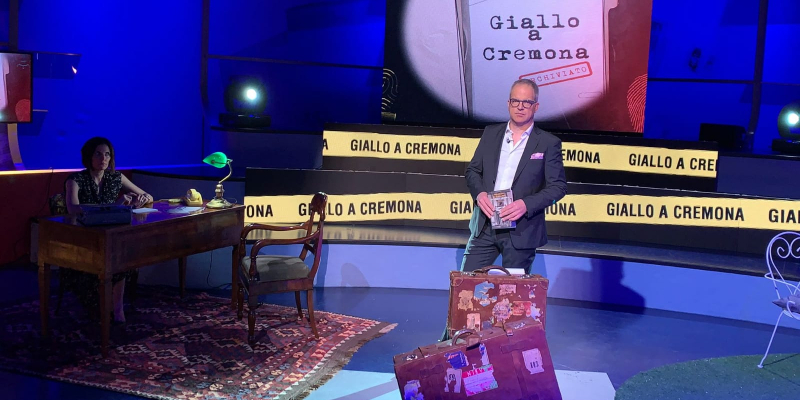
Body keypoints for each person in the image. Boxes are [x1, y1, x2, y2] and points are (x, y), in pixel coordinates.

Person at [461, 79, 567, 274]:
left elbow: (558, 187)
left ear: (536, 106)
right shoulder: (491, 133)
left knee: (513, 292)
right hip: (485, 225)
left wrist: (525, 205)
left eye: (526, 102)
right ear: (508, 103)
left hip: (522, 230)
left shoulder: (548, 143)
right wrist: (480, 194)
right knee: (466, 283)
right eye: (515, 101)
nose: (520, 107)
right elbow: (473, 171)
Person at [63, 136, 153, 323]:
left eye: (107, 155)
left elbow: (148, 196)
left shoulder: (115, 177)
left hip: (111, 237)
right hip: (84, 238)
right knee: (111, 260)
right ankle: (104, 306)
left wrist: (141, 199)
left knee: (121, 258)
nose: (103, 159)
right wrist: (114, 206)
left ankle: (118, 310)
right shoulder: (75, 179)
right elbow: (72, 209)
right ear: (89, 156)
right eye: (98, 154)